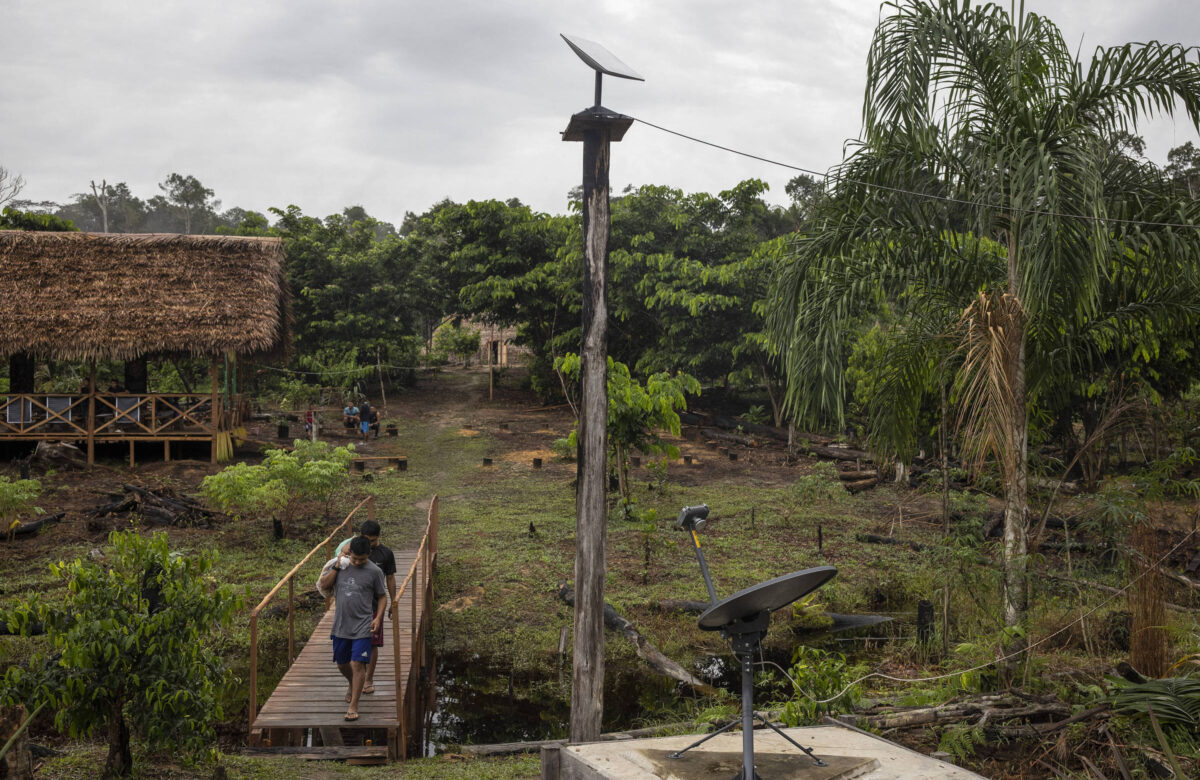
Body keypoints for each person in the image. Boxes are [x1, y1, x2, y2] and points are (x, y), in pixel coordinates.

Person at [317, 536, 387, 721]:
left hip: (363, 624)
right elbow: (323, 586)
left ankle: (353, 704)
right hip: (341, 624)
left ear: (368, 555)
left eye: (361, 559)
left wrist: (378, 618)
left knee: (357, 663)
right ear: (350, 553)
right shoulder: (340, 566)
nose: (357, 562)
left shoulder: (375, 571)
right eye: (354, 558)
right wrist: (338, 566)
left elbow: (382, 596)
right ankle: (351, 683)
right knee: (342, 664)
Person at [334, 520, 397, 693]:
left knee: (373, 644)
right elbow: (340, 557)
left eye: (373, 541)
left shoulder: (385, 554)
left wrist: (393, 601)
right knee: (347, 656)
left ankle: (368, 677)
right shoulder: (351, 549)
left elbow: (390, 578)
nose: (370, 544)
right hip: (352, 607)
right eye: (366, 540)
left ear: (378, 538)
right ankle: (355, 681)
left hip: (374, 606)